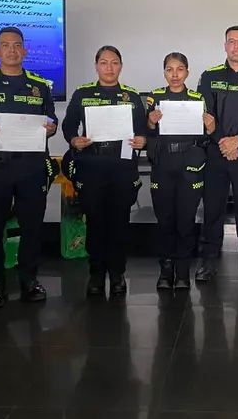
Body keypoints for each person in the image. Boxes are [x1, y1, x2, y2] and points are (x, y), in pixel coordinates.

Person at [0, 26, 58, 309]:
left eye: (17, 45)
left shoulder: (41, 85)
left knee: (32, 227)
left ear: (25, 50)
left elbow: (51, 121)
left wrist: (51, 128)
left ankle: (29, 280)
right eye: (6, 45)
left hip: (31, 167)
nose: (12, 50)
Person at [61, 46, 147, 296]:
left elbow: (142, 131)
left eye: (115, 63)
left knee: (120, 223)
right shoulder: (83, 93)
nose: (109, 68)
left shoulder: (131, 96)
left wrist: (142, 140)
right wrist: (74, 140)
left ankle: (118, 274)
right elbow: (68, 127)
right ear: (96, 65)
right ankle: (96, 274)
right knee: (96, 223)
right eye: (104, 63)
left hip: (121, 167)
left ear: (121, 66)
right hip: (92, 167)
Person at [195, 25, 238, 284]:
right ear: (225, 45)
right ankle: (209, 262)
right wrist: (224, 142)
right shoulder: (209, 76)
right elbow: (207, 117)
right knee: (213, 210)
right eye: (231, 42)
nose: (236, 46)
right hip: (215, 153)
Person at [147, 52, 211, 290]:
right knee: (165, 221)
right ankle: (166, 271)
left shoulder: (197, 98)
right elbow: (146, 132)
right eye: (169, 70)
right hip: (163, 163)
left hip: (189, 164)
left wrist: (211, 126)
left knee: (186, 221)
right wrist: (151, 122)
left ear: (187, 71)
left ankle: (183, 271)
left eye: (180, 69)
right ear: (164, 72)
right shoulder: (155, 98)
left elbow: (207, 135)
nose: (175, 75)